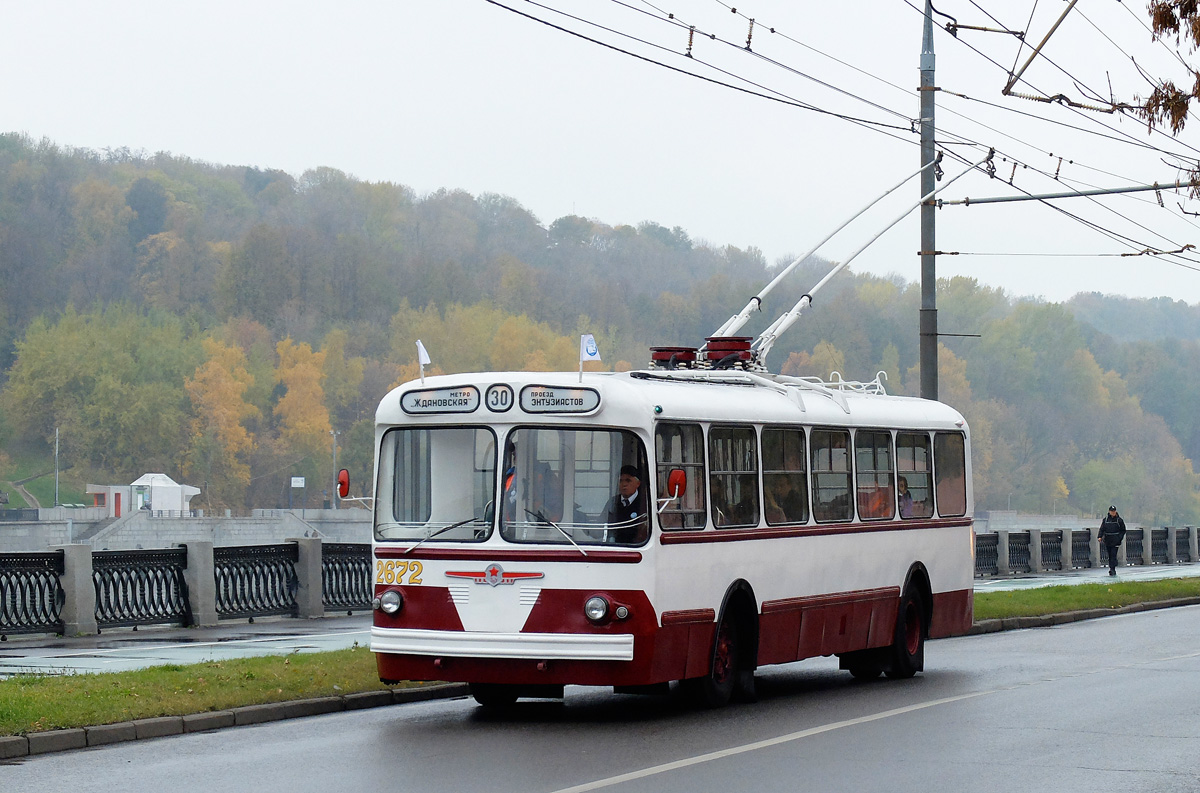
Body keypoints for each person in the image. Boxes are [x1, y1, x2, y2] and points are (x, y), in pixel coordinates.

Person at [606, 465, 647, 543]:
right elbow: (604, 523)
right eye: (621, 481)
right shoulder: (613, 501)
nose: (624, 484)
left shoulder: (644, 503)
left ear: (638, 483)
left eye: (628, 480)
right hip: (614, 546)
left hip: (638, 547)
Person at [1099, 505, 1127, 576]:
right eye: (1112, 511)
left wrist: (1119, 538)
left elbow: (1123, 530)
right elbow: (1102, 529)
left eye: (1114, 511)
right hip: (1108, 540)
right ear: (1109, 511)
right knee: (1110, 555)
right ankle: (1112, 566)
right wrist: (1100, 536)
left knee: (1113, 554)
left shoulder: (1119, 520)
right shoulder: (1105, 520)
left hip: (1115, 541)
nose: (1113, 512)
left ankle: (1112, 569)